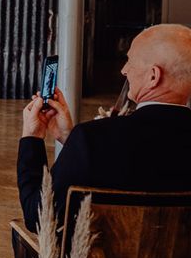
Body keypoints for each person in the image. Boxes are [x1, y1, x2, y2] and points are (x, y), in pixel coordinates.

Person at [17, 23, 191, 231]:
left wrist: (32, 138)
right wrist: (71, 139)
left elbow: (39, 218)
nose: (123, 70)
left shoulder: (94, 139)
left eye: (130, 61)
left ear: (154, 76)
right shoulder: (90, 141)